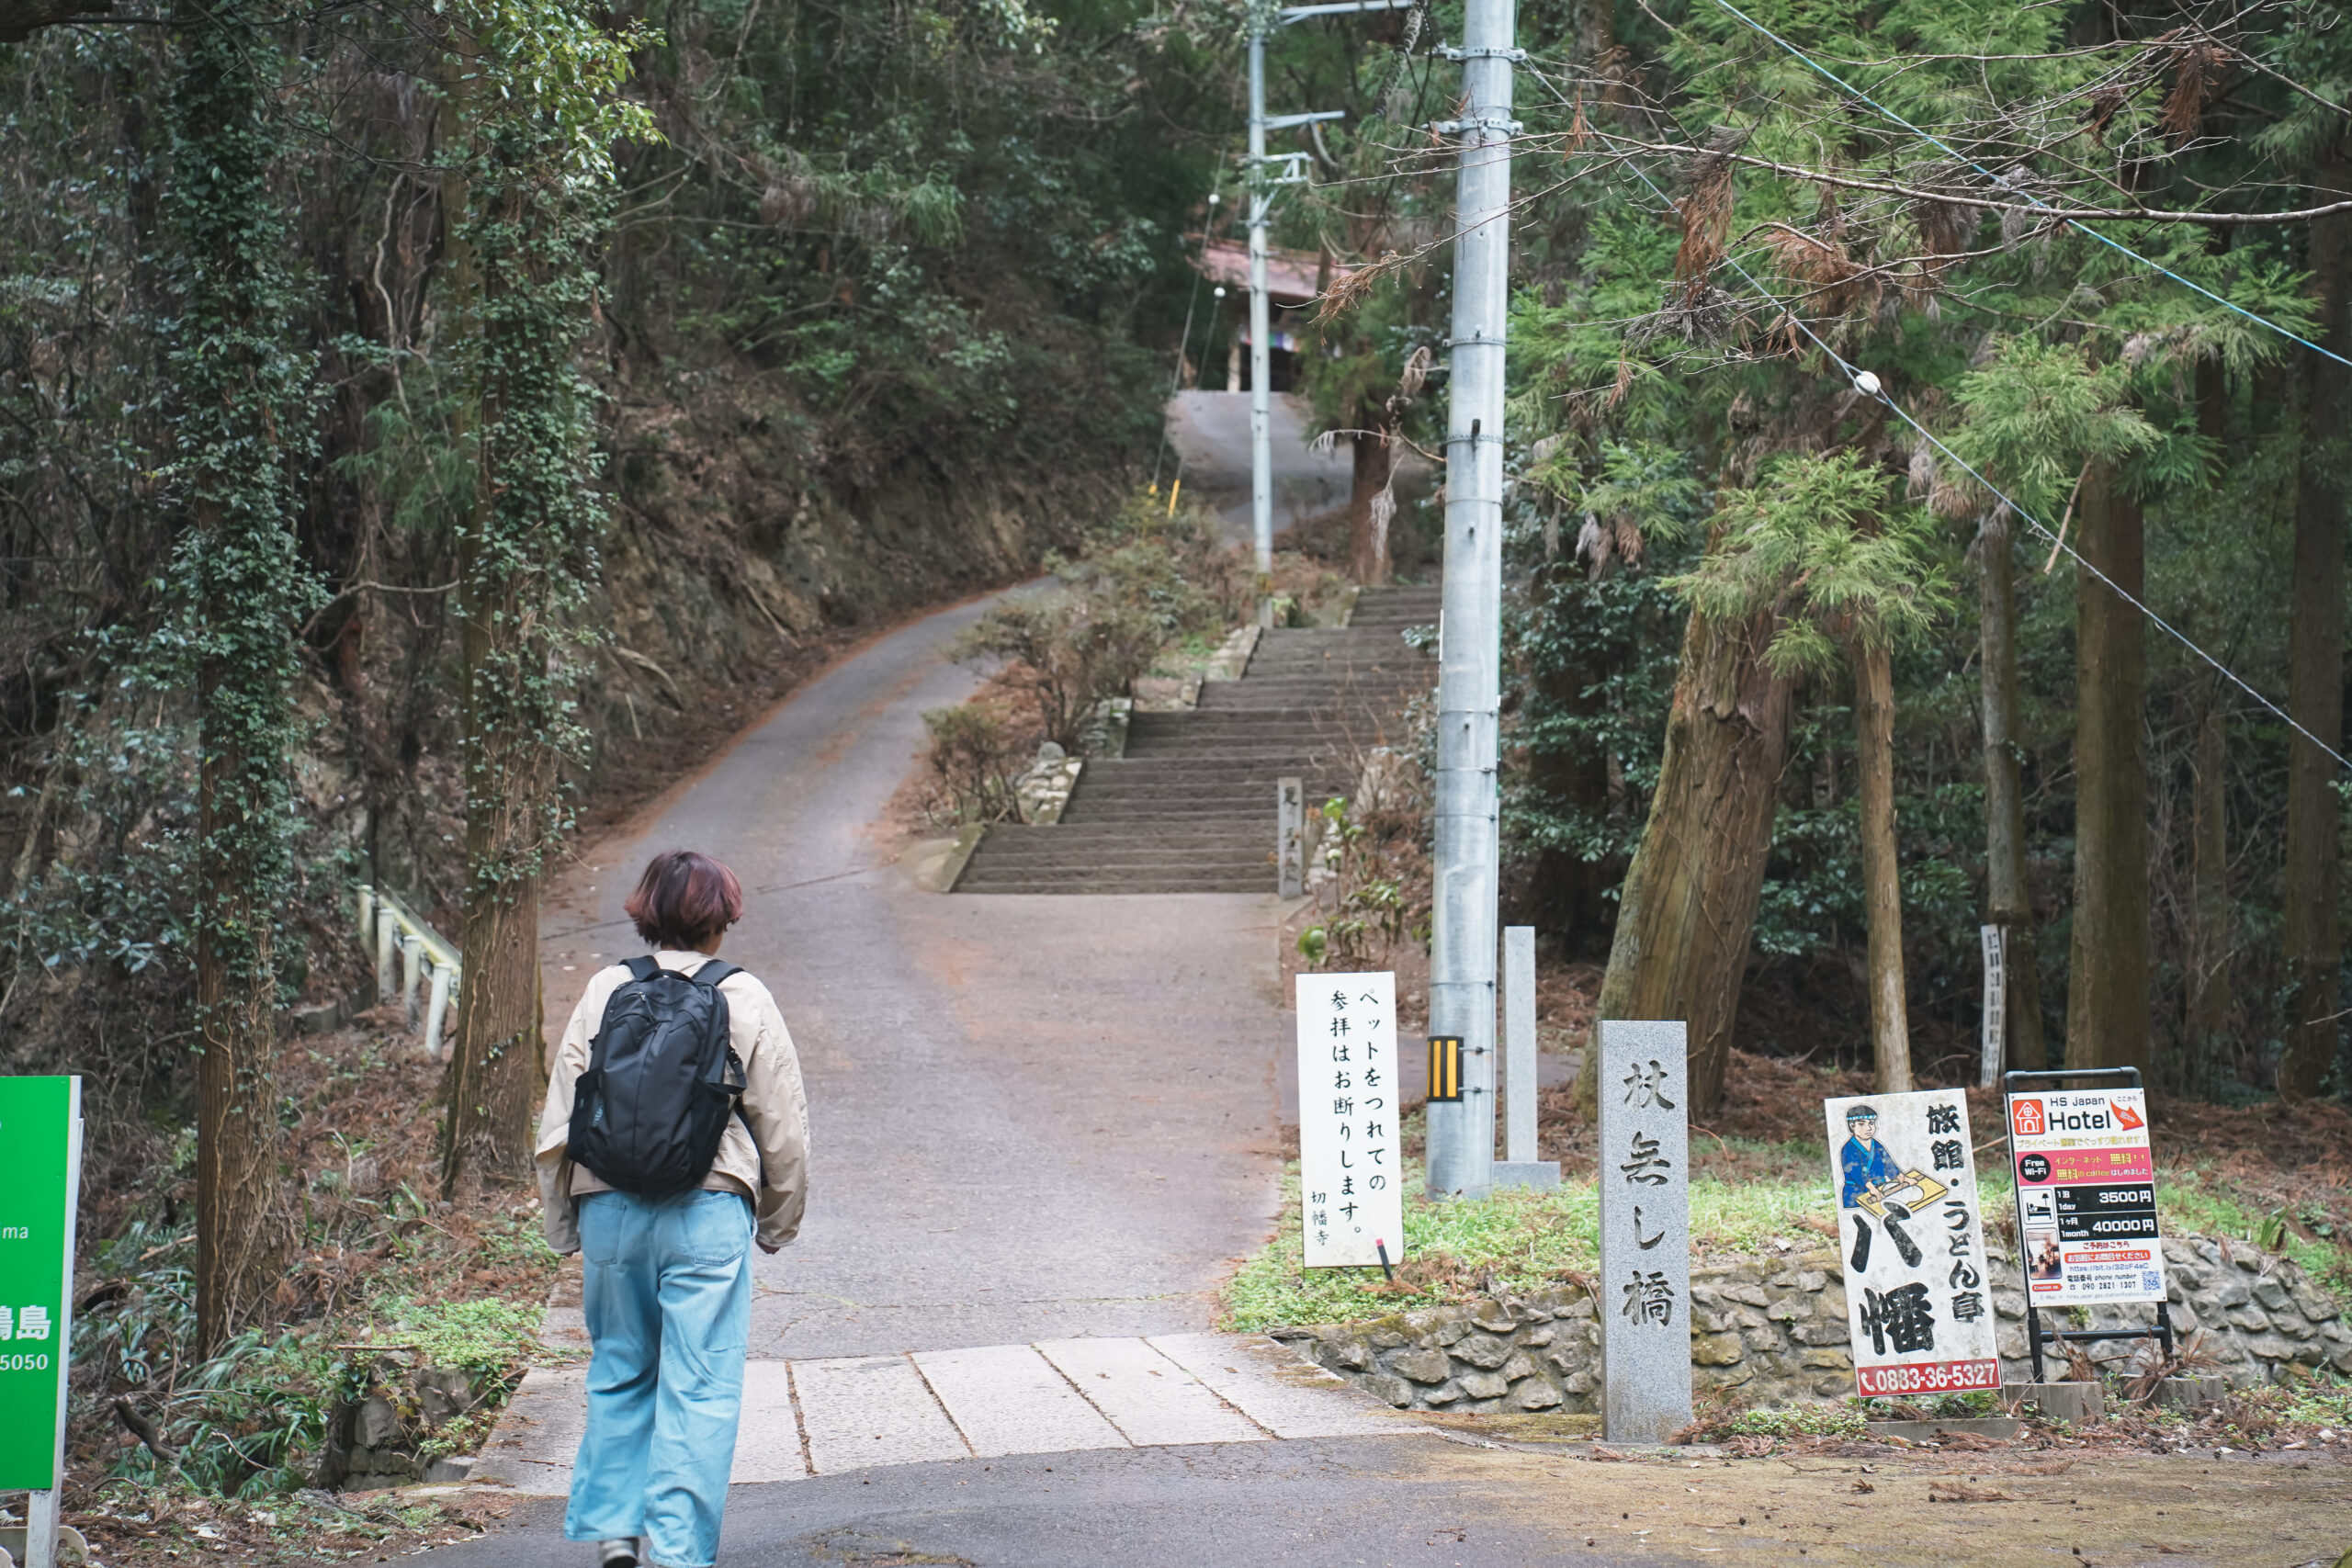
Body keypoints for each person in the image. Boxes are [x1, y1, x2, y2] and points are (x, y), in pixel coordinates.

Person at [536, 850, 810, 1568]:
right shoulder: (745, 995)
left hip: (609, 1210)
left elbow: (561, 1115)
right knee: (700, 1383)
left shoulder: (604, 988)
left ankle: (617, 1531)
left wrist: (564, 1221)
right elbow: (781, 1120)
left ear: (645, 914)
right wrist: (779, 1218)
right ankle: (680, 1553)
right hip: (707, 1206)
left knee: (621, 1365)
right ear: (721, 922)